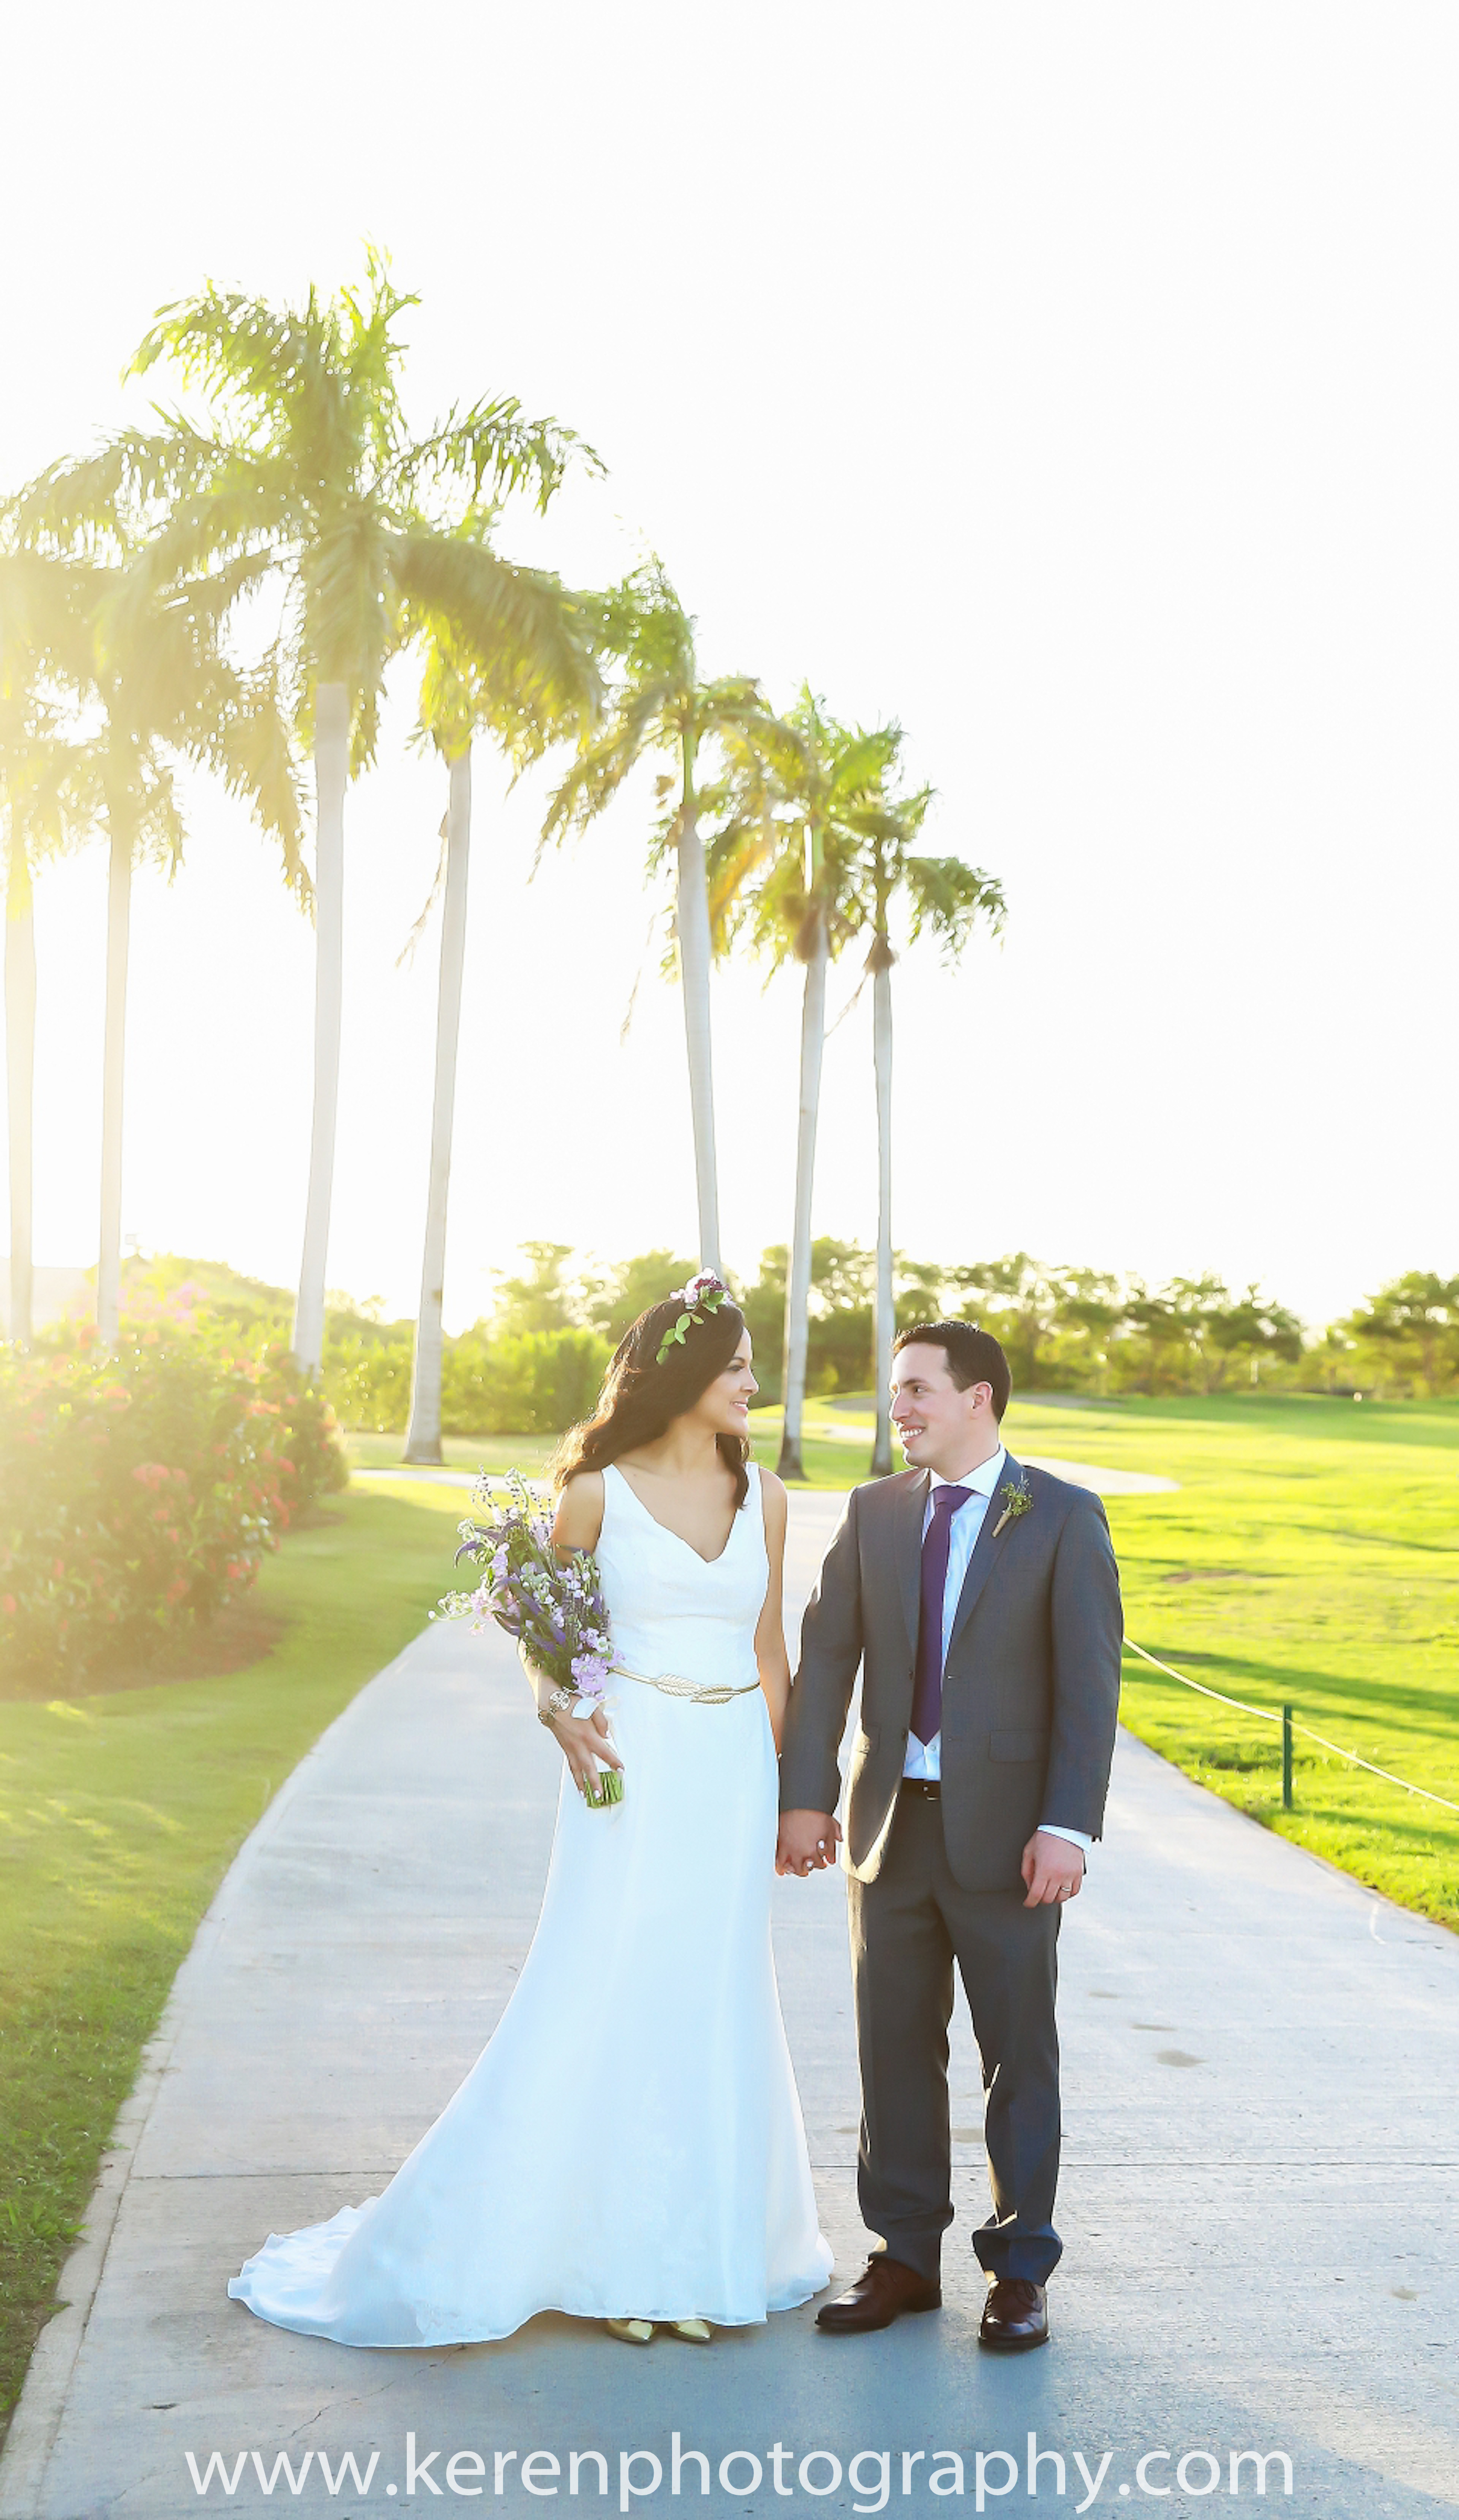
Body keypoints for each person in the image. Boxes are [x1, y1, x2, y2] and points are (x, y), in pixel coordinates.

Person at [228, 1274, 832, 2349]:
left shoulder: (768, 1499)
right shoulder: (596, 1490)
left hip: (731, 1769)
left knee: (712, 1997)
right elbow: (545, 1640)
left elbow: (767, 1649)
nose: (754, 1383)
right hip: (632, 1769)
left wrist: (794, 1797)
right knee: (611, 1988)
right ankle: (614, 2262)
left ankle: (693, 2257)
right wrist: (555, 1712)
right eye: (737, 1365)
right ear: (687, 1376)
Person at [776, 1320, 1121, 2353]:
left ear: (980, 1400)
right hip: (888, 1833)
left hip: (1014, 1841)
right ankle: (903, 2257)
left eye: (919, 1389)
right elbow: (828, 1654)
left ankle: (1019, 2270)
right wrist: (805, 1797)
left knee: (1017, 2055)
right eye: (895, 1392)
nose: (901, 1408)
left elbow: (1088, 1687)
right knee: (892, 2048)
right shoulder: (873, 1513)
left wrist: (1065, 1826)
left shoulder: (1060, 1516)